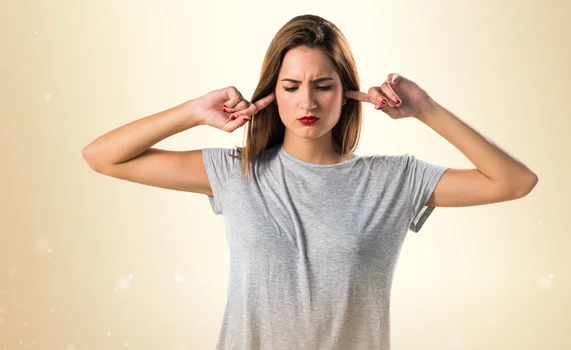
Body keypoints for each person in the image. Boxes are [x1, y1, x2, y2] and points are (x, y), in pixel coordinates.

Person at [82, 14, 537, 350]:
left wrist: (426, 109)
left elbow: (514, 181)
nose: (308, 101)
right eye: (291, 86)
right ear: (270, 93)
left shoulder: (394, 180)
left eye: (323, 85)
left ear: (347, 93)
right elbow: (101, 156)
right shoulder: (236, 172)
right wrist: (192, 111)